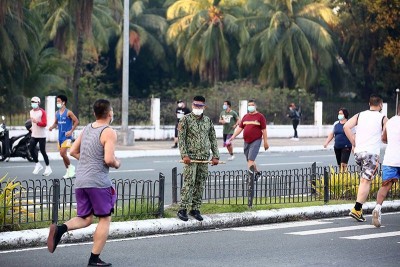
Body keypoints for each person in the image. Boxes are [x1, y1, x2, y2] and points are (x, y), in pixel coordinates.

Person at [47, 99, 120, 266]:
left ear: (95, 114)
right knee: (105, 218)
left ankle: (60, 229)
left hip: (81, 181)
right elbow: (109, 159)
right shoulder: (109, 131)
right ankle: (94, 259)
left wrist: (89, 160)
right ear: (110, 114)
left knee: (86, 218)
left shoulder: (87, 128)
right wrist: (117, 163)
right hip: (98, 182)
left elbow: (73, 151)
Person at [343, 94, 388, 222]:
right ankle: (357, 209)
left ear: (369, 104)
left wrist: (353, 141)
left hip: (358, 152)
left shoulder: (360, 115)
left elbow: (346, 126)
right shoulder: (383, 118)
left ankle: (359, 210)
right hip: (371, 153)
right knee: (365, 181)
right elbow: (386, 135)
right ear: (380, 105)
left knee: (363, 180)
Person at [177, 96, 219, 222]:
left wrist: (215, 155)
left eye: (200, 106)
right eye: (195, 105)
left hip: (204, 158)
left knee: (200, 184)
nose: (197, 107)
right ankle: (182, 209)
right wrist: (184, 155)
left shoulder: (207, 121)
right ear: (192, 105)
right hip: (191, 158)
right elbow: (181, 139)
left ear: (204, 107)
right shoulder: (185, 120)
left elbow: (213, 138)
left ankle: (195, 209)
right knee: (189, 183)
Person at [372, 104, 400, 227]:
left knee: (385, 186)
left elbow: (383, 138)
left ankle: (377, 208)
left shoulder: (390, 121)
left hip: (390, 159)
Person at [228, 99, 269, 180]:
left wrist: (265, 142)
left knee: (250, 159)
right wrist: (233, 136)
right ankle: (257, 173)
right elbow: (240, 128)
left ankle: (250, 177)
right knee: (249, 160)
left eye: (252, 105)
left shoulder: (260, 117)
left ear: (255, 106)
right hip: (246, 141)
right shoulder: (246, 116)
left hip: (256, 140)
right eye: (249, 105)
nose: (250, 107)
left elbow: (264, 130)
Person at [49, 95, 79, 178]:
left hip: (67, 137)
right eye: (57, 101)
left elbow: (76, 121)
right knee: (63, 155)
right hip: (60, 137)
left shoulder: (68, 112)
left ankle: (71, 167)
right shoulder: (57, 113)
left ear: (63, 102)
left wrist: (71, 131)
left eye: (59, 101)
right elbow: (56, 123)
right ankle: (68, 171)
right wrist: (51, 127)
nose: (57, 103)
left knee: (62, 153)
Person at [29, 96, 52, 176]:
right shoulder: (31, 112)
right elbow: (33, 123)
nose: (33, 104)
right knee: (31, 149)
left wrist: (37, 122)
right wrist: (32, 127)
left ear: (38, 103)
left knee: (43, 151)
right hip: (34, 134)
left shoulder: (42, 112)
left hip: (41, 135)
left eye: (35, 102)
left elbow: (45, 124)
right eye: (32, 102)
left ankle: (48, 167)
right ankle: (38, 164)